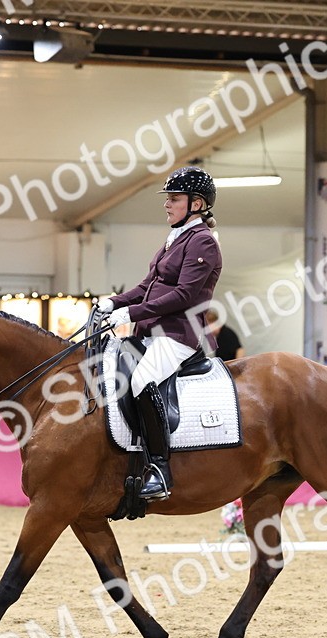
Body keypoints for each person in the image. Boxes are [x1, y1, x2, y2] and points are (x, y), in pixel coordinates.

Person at [99, 166, 223, 501]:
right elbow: (146, 288)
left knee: (142, 380)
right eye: (167, 198)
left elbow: (183, 295)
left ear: (197, 204)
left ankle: (159, 468)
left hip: (179, 335)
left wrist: (131, 313)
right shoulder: (176, 239)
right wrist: (113, 302)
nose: (167, 204)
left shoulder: (203, 242)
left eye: (174, 198)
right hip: (152, 332)